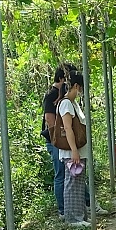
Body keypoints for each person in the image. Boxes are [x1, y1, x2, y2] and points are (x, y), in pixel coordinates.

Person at [58, 72, 90, 226]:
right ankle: (72, 218)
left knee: (78, 184)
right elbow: (68, 128)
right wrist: (74, 151)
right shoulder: (65, 104)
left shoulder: (74, 103)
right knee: (72, 183)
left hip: (78, 150)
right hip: (72, 152)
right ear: (76, 86)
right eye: (80, 88)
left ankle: (80, 215)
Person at [41, 66, 68, 215]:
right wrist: (58, 138)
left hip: (61, 139)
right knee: (61, 174)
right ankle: (62, 209)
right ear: (62, 79)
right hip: (54, 140)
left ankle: (85, 201)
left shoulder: (61, 95)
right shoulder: (51, 95)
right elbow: (49, 120)